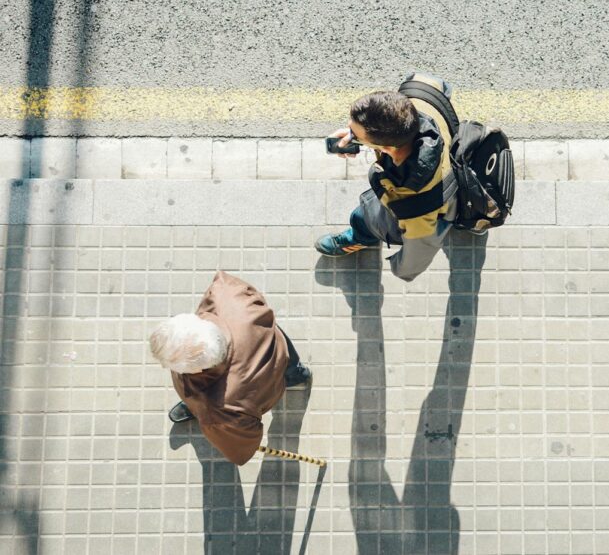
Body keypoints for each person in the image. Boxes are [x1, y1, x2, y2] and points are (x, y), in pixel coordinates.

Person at [148, 271, 310, 465]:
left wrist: (206, 414)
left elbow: (241, 448)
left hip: (259, 392)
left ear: (198, 371)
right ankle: (297, 374)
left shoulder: (219, 410)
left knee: (201, 403)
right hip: (270, 340)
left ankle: (194, 406)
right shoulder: (223, 293)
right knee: (290, 364)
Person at [314, 74, 457, 282]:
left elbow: (417, 256)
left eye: (356, 134)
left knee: (364, 216)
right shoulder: (420, 91)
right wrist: (359, 137)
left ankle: (361, 236)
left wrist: (400, 269)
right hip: (450, 172)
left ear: (388, 149)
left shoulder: (415, 208)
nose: (349, 136)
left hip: (427, 205)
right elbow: (442, 85)